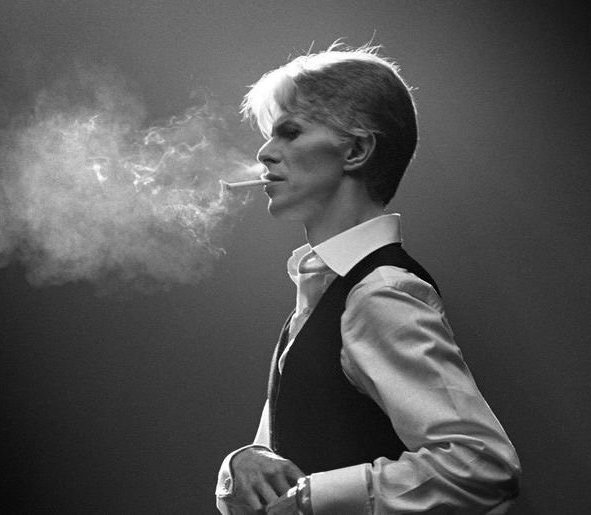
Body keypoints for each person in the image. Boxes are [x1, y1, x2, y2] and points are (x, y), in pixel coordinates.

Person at [215, 42, 521, 514]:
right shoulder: (324, 294)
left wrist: (314, 499)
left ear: (356, 150)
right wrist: (243, 462)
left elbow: (481, 464)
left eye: (290, 132)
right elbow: (286, 453)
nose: (264, 153)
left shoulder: (382, 291)